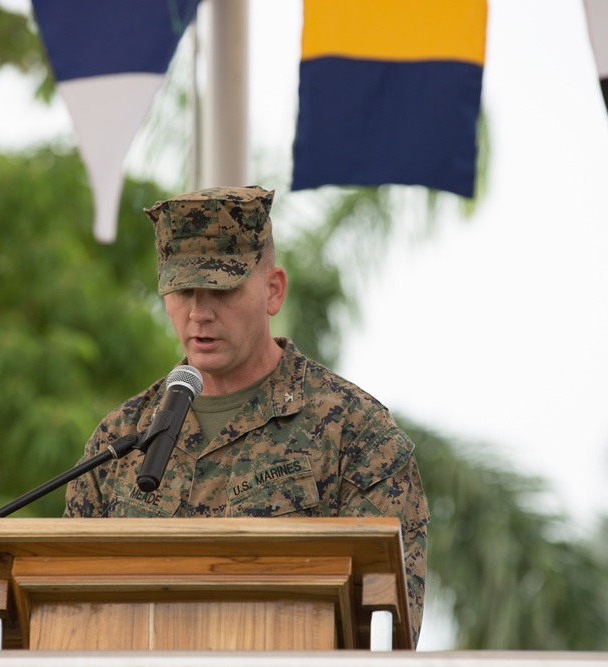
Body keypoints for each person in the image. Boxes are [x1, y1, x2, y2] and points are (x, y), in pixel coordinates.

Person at [64, 185, 429, 644]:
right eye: (183, 290)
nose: (199, 313)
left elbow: (386, 629)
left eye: (221, 289)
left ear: (273, 291)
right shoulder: (117, 440)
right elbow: (69, 615)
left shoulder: (355, 432)